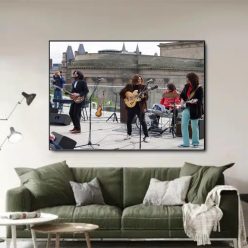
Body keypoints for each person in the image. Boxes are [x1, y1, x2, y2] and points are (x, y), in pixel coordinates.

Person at [119, 74, 150, 143]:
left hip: (140, 107)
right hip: (130, 106)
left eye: (140, 80)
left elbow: (146, 98)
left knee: (142, 121)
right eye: (138, 80)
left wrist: (143, 97)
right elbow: (121, 93)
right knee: (129, 121)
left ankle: (146, 136)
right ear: (134, 80)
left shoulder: (144, 87)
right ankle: (129, 134)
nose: (139, 81)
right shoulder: (130, 86)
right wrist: (128, 96)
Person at [179, 72, 203, 148]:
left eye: (187, 78)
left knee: (194, 126)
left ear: (191, 79)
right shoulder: (186, 86)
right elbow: (182, 96)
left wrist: (193, 101)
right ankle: (186, 143)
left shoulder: (199, 88)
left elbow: (199, 100)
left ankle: (195, 142)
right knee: (183, 125)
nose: (186, 79)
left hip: (195, 109)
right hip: (187, 108)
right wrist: (182, 102)